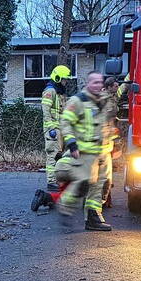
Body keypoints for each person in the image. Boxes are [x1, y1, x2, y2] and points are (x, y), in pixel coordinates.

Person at [57, 70, 118, 231]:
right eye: (94, 82)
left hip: (103, 151)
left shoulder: (105, 100)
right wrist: (71, 143)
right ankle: (65, 206)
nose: (98, 85)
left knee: (101, 185)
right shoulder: (78, 101)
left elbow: (108, 122)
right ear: (88, 84)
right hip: (85, 152)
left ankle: (93, 217)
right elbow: (65, 122)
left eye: (100, 82)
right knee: (84, 183)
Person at [40, 65, 73, 190]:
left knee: (60, 155)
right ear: (58, 78)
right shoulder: (50, 91)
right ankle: (51, 182)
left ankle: (58, 180)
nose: (66, 82)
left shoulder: (59, 93)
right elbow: (46, 111)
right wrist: (51, 129)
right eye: (64, 79)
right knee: (52, 155)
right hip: (53, 130)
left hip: (59, 129)